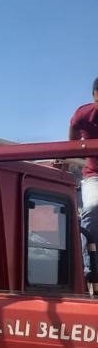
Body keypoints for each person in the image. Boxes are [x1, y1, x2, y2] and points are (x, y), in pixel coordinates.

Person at [70, 77, 98, 271]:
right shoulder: (83, 114)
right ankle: (88, 268)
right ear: (94, 97)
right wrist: (67, 155)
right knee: (91, 206)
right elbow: (72, 134)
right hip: (94, 174)